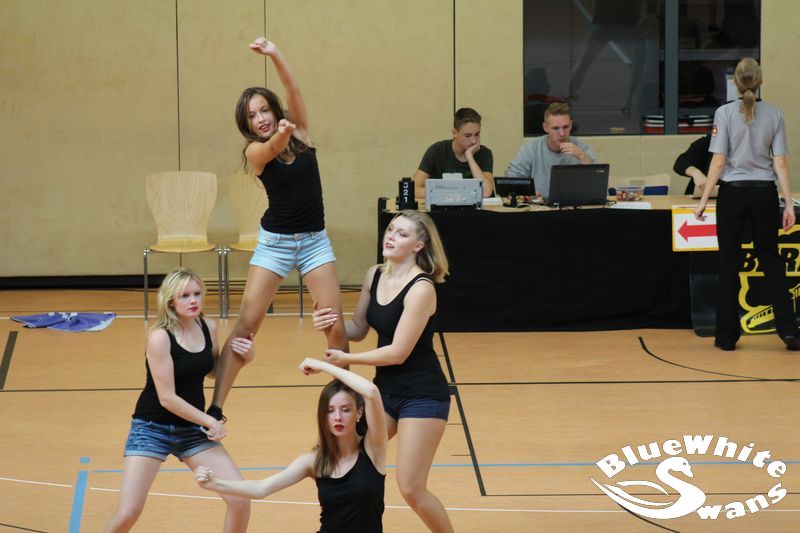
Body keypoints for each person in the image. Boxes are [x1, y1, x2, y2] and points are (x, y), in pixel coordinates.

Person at [209, 37, 348, 421]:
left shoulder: (301, 131)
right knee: (246, 327)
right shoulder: (254, 152)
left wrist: (274, 54)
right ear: (247, 125)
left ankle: (345, 403)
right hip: (275, 244)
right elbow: (271, 148)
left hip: (315, 242)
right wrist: (281, 133)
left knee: (334, 325)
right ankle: (215, 409)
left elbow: (293, 87)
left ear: (274, 108)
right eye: (252, 116)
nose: (260, 118)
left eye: (264, 110)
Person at [312, 210, 454, 533]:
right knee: (340, 454)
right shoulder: (374, 275)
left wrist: (345, 359)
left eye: (402, 234)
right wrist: (329, 322)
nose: (391, 236)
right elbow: (358, 328)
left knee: (411, 488)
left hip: (422, 395)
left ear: (419, 245)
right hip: (385, 392)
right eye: (390, 229)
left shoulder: (422, 288)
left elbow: (397, 352)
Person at [104, 269, 251, 532]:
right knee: (128, 513)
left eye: (197, 294)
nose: (193, 300)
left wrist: (246, 357)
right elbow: (167, 398)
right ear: (171, 300)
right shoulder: (160, 336)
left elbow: (212, 371)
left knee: (240, 500)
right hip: (152, 428)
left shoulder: (208, 327)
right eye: (184, 296)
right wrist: (210, 421)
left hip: (191, 430)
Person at [196, 358, 388, 532]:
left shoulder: (374, 450)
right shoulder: (314, 461)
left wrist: (323, 366)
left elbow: (371, 392)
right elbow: (261, 488)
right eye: (330, 411)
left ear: (359, 413)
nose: (337, 417)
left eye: (345, 410)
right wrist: (215, 483)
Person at [694, 58, 800, 351]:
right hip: (764, 194)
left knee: (729, 261)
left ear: (735, 83)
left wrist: (703, 200)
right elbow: (780, 162)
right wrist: (787, 203)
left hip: (733, 194)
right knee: (771, 260)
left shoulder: (724, 113)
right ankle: (789, 330)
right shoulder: (775, 113)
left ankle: (726, 336)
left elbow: (718, 161)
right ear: (760, 81)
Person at [505, 102, 598, 201]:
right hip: (539, 206)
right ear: (545, 127)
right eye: (555, 128)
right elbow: (510, 180)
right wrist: (525, 192)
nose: (562, 133)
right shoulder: (531, 149)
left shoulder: (582, 148)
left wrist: (582, 157)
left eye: (565, 127)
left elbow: (597, 185)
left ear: (571, 125)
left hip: (575, 204)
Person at [412, 107, 494, 199]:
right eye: (468, 135)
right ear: (454, 133)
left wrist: (469, 157)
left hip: (473, 208)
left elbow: (486, 192)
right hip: (443, 206)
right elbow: (414, 189)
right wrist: (450, 193)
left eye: (477, 134)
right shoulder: (437, 150)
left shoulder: (484, 153)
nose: (474, 141)